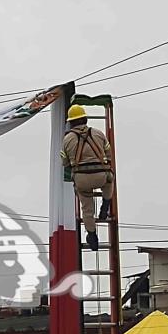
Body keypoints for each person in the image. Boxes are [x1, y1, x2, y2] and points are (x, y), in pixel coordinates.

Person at [60, 104, 114, 251]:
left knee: (87, 209)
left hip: (81, 179)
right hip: (100, 175)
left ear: (71, 122)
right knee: (110, 179)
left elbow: (64, 162)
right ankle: (106, 204)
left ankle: (92, 235)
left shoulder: (67, 140)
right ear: (85, 119)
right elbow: (108, 155)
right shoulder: (98, 133)